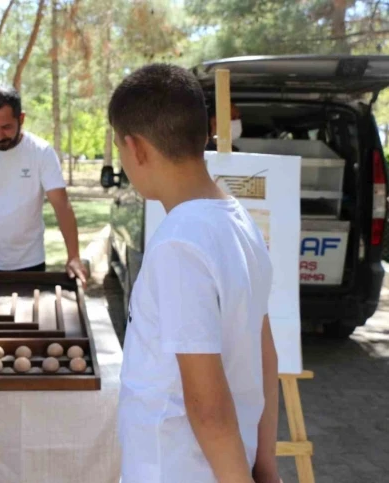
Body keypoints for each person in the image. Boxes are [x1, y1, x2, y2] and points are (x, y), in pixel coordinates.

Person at [109, 64, 280, 483]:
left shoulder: (179, 244)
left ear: (136, 149)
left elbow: (207, 407)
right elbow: (265, 352)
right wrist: (265, 466)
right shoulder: (238, 219)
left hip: (178, 469)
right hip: (227, 465)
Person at [0, 87, 87, 283]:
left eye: (6, 127)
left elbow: (61, 206)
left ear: (21, 119)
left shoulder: (41, 152)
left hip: (31, 262)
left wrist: (73, 256)